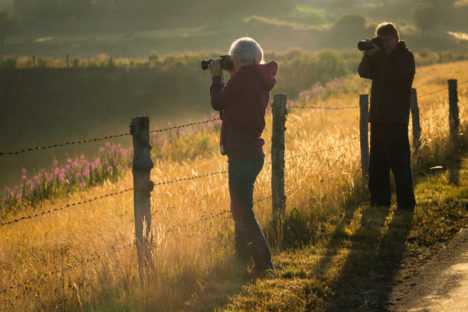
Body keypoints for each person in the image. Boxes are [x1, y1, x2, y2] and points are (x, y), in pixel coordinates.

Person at [208, 37, 277, 274]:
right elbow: (237, 105)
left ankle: (264, 263)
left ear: (240, 59)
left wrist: (217, 78)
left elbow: (218, 102)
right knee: (240, 209)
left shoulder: (243, 79)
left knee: (243, 212)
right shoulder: (257, 79)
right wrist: (232, 73)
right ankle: (243, 260)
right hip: (252, 152)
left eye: (233, 57)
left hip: (242, 155)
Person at [358, 22, 416, 210]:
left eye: (388, 40)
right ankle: (379, 201)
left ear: (396, 38)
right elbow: (363, 72)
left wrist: (380, 56)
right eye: (381, 41)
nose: (385, 44)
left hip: (395, 118)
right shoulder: (380, 58)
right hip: (378, 117)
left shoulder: (406, 57)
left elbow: (394, 76)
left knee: (399, 163)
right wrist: (369, 55)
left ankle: (406, 204)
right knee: (377, 164)